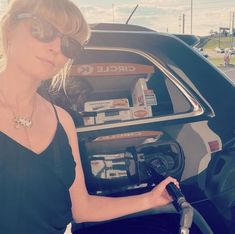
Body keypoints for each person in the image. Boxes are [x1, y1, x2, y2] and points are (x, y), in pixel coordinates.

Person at [0, 0, 179, 234]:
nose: (56, 47)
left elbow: (82, 208)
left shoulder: (62, 121)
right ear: (9, 29)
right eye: (43, 30)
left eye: (69, 44)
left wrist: (150, 199)